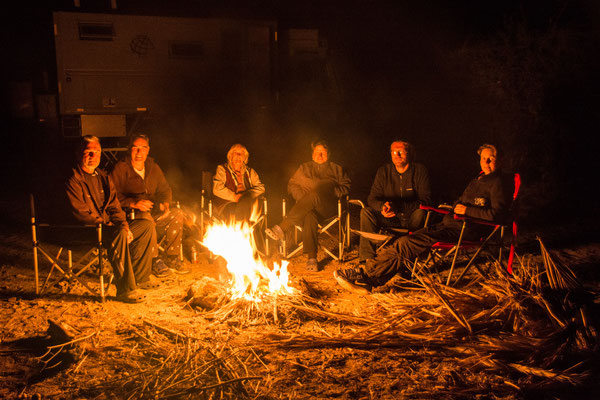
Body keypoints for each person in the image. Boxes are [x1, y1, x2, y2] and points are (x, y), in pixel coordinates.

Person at [335, 144, 511, 294]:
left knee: (406, 243)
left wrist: (467, 210)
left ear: (500, 160)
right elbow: (462, 202)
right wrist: (455, 208)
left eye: (491, 159)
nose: (486, 163)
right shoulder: (478, 180)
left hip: (466, 230)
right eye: (483, 159)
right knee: (405, 242)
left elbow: (499, 215)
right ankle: (367, 277)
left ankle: (366, 275)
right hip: (450, 225)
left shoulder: (498, 183)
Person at [66, 135, 157, 303]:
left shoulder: (103, 177)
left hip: (108, 228)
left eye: (97, 152)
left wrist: (124, 225)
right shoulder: (73, 180)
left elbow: (115, 207)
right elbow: (80, 214)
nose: (93, 157)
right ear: (79, 154)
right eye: (89, 152)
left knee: (145, 225)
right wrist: (110, 226)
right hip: (85, 231)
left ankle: (139, 277)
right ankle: (126, 289)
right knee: (118, 233)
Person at [110, 134, 189, 277]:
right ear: (130, 150)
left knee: (177, 213)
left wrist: (165, 203)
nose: (139, 153)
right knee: (146, 218)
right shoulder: (121, 168)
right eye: (135, 148)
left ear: (148, 150)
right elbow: (113, 197)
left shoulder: (153, 167)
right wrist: (133, 203)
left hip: (152, 212)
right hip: (132, 216)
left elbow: (165, 189)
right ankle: (153, 260)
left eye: (143, 148)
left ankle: (172, 257)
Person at [266, 140, 351, 271]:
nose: (320, 155)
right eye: (317, 152)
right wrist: (303, 199)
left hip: (328, 208)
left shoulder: (336, 169)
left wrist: (331, 193)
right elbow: (292, 185)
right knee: (309, 216)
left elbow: (346, 187)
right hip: (306, 208)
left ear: (329, 155)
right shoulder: (304, 168)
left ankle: (283, 227)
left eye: (323, 153)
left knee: (315, 195)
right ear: (312, 155)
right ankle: (312, 259)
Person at [359, 140, 431, 263]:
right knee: (366, 212)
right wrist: (382, 207)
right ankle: (367, 258)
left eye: (401, 152)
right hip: (390, 217)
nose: (397, 155)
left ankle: (411, 256)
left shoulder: (420, 171)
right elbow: (372, 199)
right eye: (393, 152)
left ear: (409, 153)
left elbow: (426, 200)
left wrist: (399, 207)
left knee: (421, 212)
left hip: (411, 217)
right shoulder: (384, 172)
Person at [212, 143, 265, 222]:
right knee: (235, 208)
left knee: (254, 206)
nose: (239, 156)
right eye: (236, 153)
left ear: (245, 157)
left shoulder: (250, 172)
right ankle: (241, 228)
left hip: (248, 204)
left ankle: (247, 231)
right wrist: (234, 197)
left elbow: (261, 188)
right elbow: (217, 189)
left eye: (242, 153)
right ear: (230, 156)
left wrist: (247, 195)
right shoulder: (222, 169)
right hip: (227, 204)